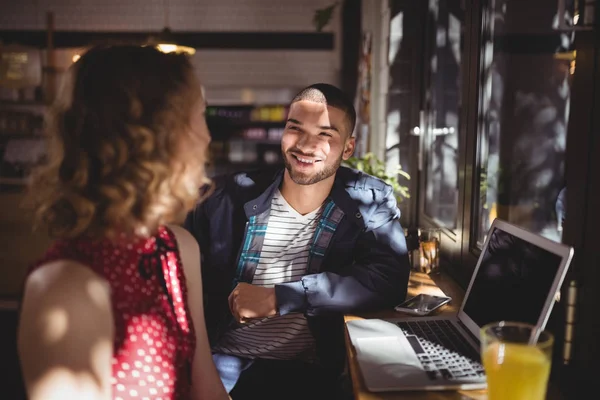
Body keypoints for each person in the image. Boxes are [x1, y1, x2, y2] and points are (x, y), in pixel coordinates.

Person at [17, 45, 229, 400]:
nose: (207, 137)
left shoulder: (176, 249)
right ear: (153, 136)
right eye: (199, 115)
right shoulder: (66, 289)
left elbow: (205, 386)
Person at [184, 83, 411, 399]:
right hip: (224, 360)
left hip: (312, 369)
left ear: (348, 148)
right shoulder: (223, 197)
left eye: (326, 134)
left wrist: (281, 297)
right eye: (296, 129)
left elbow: (388, 279)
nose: (306, 145)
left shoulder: (368, 201)